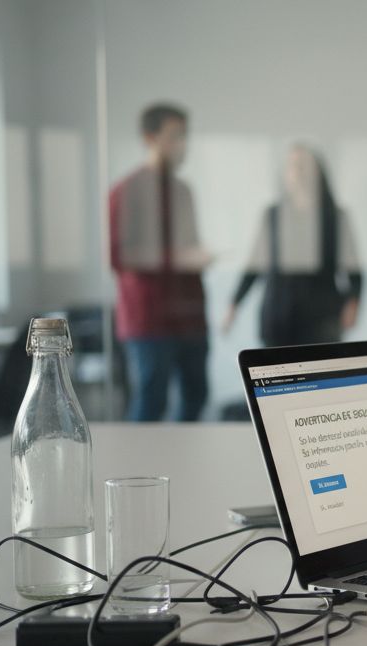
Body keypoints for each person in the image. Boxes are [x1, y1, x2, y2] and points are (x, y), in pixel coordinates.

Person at [109, 103, 212, 422]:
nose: (182, 144)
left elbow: (190, 245)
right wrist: (178, 259)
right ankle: (139, 472)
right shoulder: (127, 191)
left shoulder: (183, 191)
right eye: (174, 136)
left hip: (190, 316)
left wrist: (197, 258)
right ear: (150, 137)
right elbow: (119, 256)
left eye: (184, 135)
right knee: (150, 403)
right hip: (149, 319)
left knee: (197, 396)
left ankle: (182, 465)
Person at [223, 145, 363, 346]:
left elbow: (354, 270)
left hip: (322, 314)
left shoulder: (335, 217)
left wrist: (353, 303)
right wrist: (234, 305)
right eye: (293, 166)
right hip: (279, 312)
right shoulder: (273, 215)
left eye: (304, 166)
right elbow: (254, 265)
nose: (298, 172)